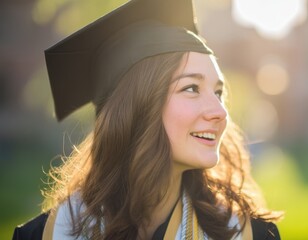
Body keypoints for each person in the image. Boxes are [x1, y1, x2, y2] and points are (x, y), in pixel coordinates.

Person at [12, 0, 282, 239]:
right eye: (191, 88)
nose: (220, 112)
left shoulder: (249, 234)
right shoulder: (46, 235)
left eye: (218, 92)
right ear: (137, 107)